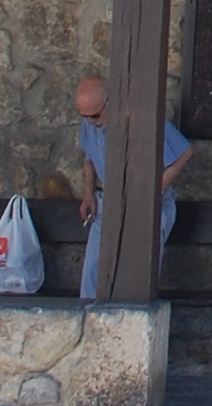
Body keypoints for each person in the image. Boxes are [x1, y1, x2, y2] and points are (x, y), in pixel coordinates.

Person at [74, 73, 191, 300]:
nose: (90, 121)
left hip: (146, 206)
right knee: (93, 273)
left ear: (110, 101)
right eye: (84, 116)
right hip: (110, 201)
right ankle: (89, 317)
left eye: (95, 115)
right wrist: (88, 194)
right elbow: (88, 158)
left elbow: (184, 153)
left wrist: (155, 190)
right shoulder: (90, 122)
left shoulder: (144, 118)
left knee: (138, 277)